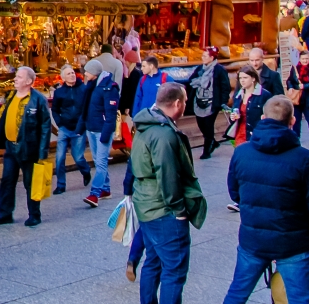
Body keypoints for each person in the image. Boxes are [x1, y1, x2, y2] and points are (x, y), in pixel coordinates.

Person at [223, 96, 309, 304]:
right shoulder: (305, 158)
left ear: (263, 117)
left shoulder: (242, 152)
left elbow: (235, 193)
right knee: (300, 298)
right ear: (292, 121)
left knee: (237, 292)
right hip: (293, 241)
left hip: (253, 238)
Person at [130, 82, 205, 304]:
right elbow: (168, 176)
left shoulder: (146, 126)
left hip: (147, 204)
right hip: (163, 210)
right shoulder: (164, 134)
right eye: (185, 103)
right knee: (174, 271)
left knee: (153, 262)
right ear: (177, 103)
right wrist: (179, 210)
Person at [0, 66, 51, 224]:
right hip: (10, 146)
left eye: (19, 77)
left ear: (29, 81)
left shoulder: (38, 99)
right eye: (16, 76)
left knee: (30, 183)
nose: (15, 79)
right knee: (7, 180)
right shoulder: (10, 96)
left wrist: (42, 151)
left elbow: (45, 126)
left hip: (29, 147)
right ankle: (5, 213)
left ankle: (34, 215)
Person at [80, 60, 119, 208]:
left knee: (101, 162)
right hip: (91, 128)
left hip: (102, 130)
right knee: (97, 160)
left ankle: (95, 194)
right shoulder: (91, 86)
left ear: (95, 72)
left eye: (87, 71)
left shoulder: (110, 88)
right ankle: (106, 189)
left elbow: (111, 115)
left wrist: (106, 133)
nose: (85, 73)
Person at [50, 65, 91, 191]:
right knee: (59, 157)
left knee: (78, 156)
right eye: (68, 74)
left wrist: (83, 123)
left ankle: (86, 171)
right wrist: (59, 123)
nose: (72, 75)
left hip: (79, 127)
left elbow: (86, 108)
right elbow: (55, 109)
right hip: (64, 128)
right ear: (63, 78)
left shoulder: (84, 89)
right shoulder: (59, 92)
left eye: (73, 73)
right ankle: (61, 185)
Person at [189, 48, 229, 159]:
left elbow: (225, 87)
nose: (203, 58)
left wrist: (223, 102)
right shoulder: (199, 69)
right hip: (199, 101)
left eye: (205, 56)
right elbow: (191, 80)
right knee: (201, 124)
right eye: (202, 56)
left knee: (208, 125)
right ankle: (213, 142)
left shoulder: (219, 70)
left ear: (212, 58)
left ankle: (206, 151)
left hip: (212, 102)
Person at [229, 68, 270, 153]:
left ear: (253, 78)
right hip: (240, 134)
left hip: (256, 134)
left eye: (245, 78)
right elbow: (234, 111)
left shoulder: (264, 95)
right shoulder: (238, 95)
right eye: (240, 78)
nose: (242, 81)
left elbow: (270, 117)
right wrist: (233, 117)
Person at [285, 50, 309, 143]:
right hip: (297, 98)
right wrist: (291, 87)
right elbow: (289, 80)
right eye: (303, 59)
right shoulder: (295, 68)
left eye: (307, 58)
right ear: (299, 59)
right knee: (296, 119)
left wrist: (305, 86)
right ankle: (296, 137)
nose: (305, 60)